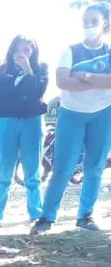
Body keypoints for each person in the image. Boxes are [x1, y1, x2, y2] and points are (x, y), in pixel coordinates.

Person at [32, 2, 111, 235]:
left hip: (103, 112)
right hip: (72, 114)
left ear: (105, 23)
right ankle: (46, 218)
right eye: (85, 22)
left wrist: (84, 75)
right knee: (63, 168)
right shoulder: (70, 50)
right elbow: (63, 82)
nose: (88, 26)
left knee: (94, 167)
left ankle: (85, 216)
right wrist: (99, 79)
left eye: (93, 22)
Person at [0, 36, 48, 229]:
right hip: (6, 123)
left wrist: (29, 73)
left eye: (27, 50)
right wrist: (23, 98)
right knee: (4, 172)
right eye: (18, 50)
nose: (22, 54)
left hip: (32, 123)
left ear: (33, 52)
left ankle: (36, 214)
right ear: (11, 50)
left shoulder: (41, 69)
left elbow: (37, 93)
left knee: (32, 173)